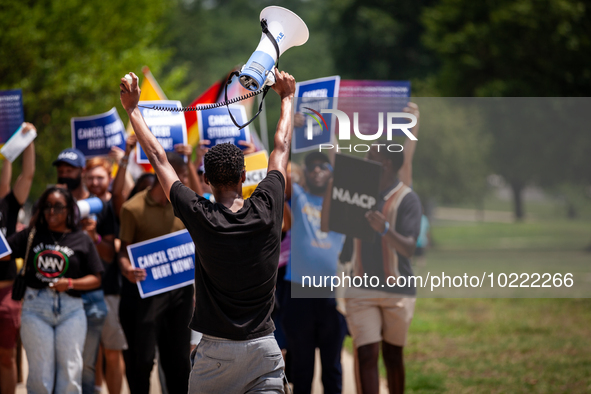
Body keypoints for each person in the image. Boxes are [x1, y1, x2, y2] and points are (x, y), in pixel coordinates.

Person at [119, 68, 295, 393]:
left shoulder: (200, 215)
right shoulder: (268, 205)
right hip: (264, 351)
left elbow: (159, 158)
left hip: (215, 356)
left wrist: (132, 109)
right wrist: (287, 98)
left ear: (207, 182)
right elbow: (281, 148)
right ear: (244, 177)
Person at [3, 187, 103, 393]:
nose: (51, 212)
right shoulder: (31, 235)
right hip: (35, 308)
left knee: (69, 374)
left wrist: (71, 284)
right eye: (47, 206)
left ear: (69, 210)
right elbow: (3, 253)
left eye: (58, 207)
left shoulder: (81, 238)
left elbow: (96, 279)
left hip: (71, 310)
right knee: (40, 377)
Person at [342, 144, 422, 394]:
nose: (365, 160)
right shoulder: (358, 194)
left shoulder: (407, 198)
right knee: (366, 353)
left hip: (397, 291)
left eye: (370, 157)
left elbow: (409, 248)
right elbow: (346, 240)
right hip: (361, 289)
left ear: (386, 162)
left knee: (392, 356)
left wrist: (385, 229)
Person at [117, 151, 193, 394]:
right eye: (181, 176)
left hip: (181, 294)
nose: (186, 182)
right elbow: (123, 251)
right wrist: (127, 268)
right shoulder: (133, 208)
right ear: (164, 174)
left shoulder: (187, 205)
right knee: (143, 360)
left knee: (180, 361)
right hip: (145, 296)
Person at [282, 152, 348, 394]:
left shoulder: (344, 204)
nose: (317, 170)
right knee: (302, 366)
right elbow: (284, 174)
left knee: (332, 367)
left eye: (324, 166)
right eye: (312, 167)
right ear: (306, 172)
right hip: (299, 292)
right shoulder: (299, 198)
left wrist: (335, 149)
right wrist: (292, 132)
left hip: (333, 293)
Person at [54, 148, 116, 394]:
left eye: (69, 170)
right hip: (56, 298)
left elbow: (110, 255)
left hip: (90, 297)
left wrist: (93, 237)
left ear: (82, 172)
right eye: (60, 171)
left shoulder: (99, 206)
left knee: (86, 365)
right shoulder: (52, 204)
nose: (64, 175)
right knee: (61, 363)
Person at [85, 157, 127, 394]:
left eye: (100, 177)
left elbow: (111, 254)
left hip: (111, 290)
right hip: (83, 290)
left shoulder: (114, 207)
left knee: (112, 351)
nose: (94, 182)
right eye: (90, 177)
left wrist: (95, 238)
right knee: (91, 352)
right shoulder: (78, 206)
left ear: (109, 179)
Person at [0, 122, 35, 394]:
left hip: (5, 295)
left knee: (6, 358)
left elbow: (28, 174)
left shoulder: (8, 205)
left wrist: (29, 139)